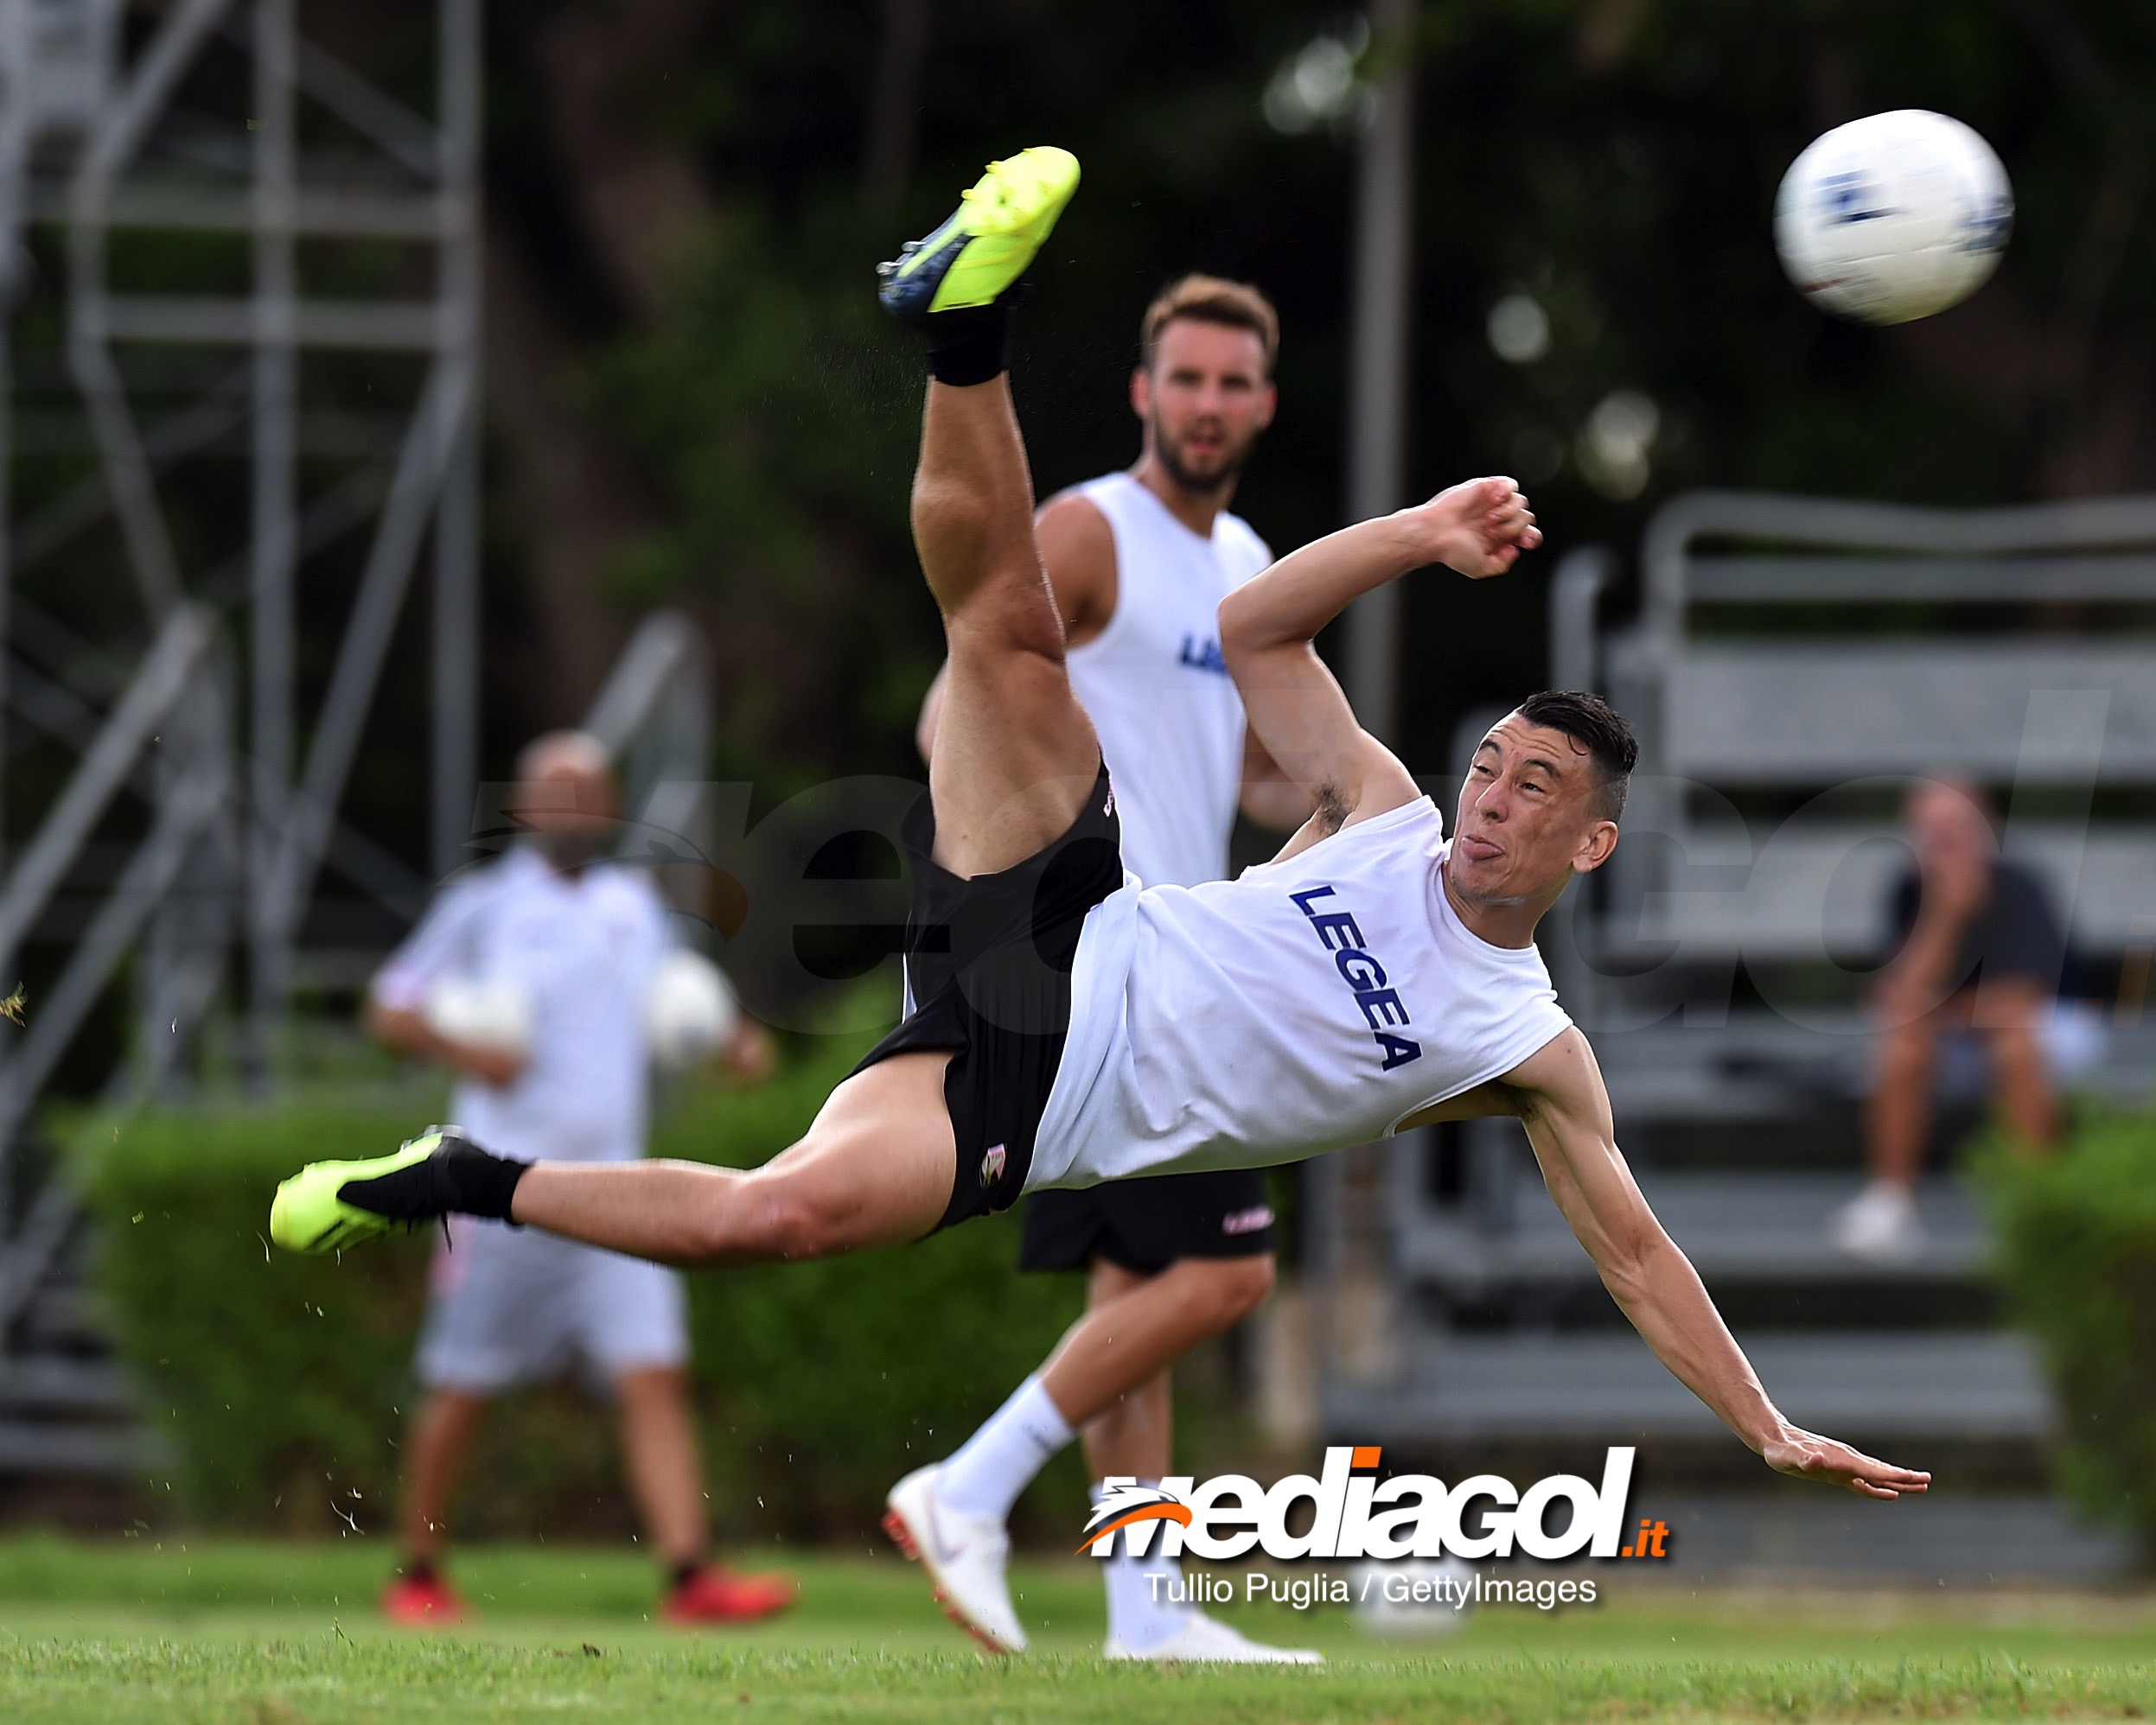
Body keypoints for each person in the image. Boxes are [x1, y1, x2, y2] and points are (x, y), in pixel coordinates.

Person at [274, 144, 1929, 1648]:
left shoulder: (1526, 1043)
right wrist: (1419, 533)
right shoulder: (1381, 809)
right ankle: (959, 322)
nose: (1491, 799)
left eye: (1535, 793)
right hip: (1072, 914)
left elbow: (1637, 1257)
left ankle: (456, 1175)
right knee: (1002, 628)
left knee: (767, 1218)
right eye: (1492, 764)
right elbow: (1262, 628)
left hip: (1033, 1092)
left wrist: (1764, 1421)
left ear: (1593, 850)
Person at [902, 275, 1318, 1661]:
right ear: (1144, 393)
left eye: (1232, 384)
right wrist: (1016, 854)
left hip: (1176, 958)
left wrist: (1350, 815)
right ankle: (967, 1486)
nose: (1207, 404)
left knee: (1142, 1299)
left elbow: (1255, 772)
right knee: (1232, 1277)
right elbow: (957, 693)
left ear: (1263, 402)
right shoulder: (1091, 531)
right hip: (1105, 959)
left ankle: (1149, 1610)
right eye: (1184, 380)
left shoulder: (1245, 554)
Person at [363, 730, 799, 1626]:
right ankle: (416, 1572)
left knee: (653, 1377)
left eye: (591, 792)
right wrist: (463, 1050)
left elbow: (673, 1003)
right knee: (463, 1382)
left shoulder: (631, 907)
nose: (577, 808)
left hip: (620, 1195)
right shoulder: (484, 907)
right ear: (527, 809)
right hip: (500, 1192)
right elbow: (388, 1005)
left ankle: (690, 1579)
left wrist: (731, 1039)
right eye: (558, 792)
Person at [1829, 776, 2064, 1264]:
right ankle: (1892, 1202)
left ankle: (2035, 1203)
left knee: (2017, 1047)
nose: (1945, 842)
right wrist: (1944, 916)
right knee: (1900, 1048)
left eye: (1955, 828)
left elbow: (2025, 997)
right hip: (1948, 1032)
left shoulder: (2022, 887)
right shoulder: (1911, 891)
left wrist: (1942, 1008)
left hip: (2039, 1029)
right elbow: (1897, 997)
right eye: (1932, 831)